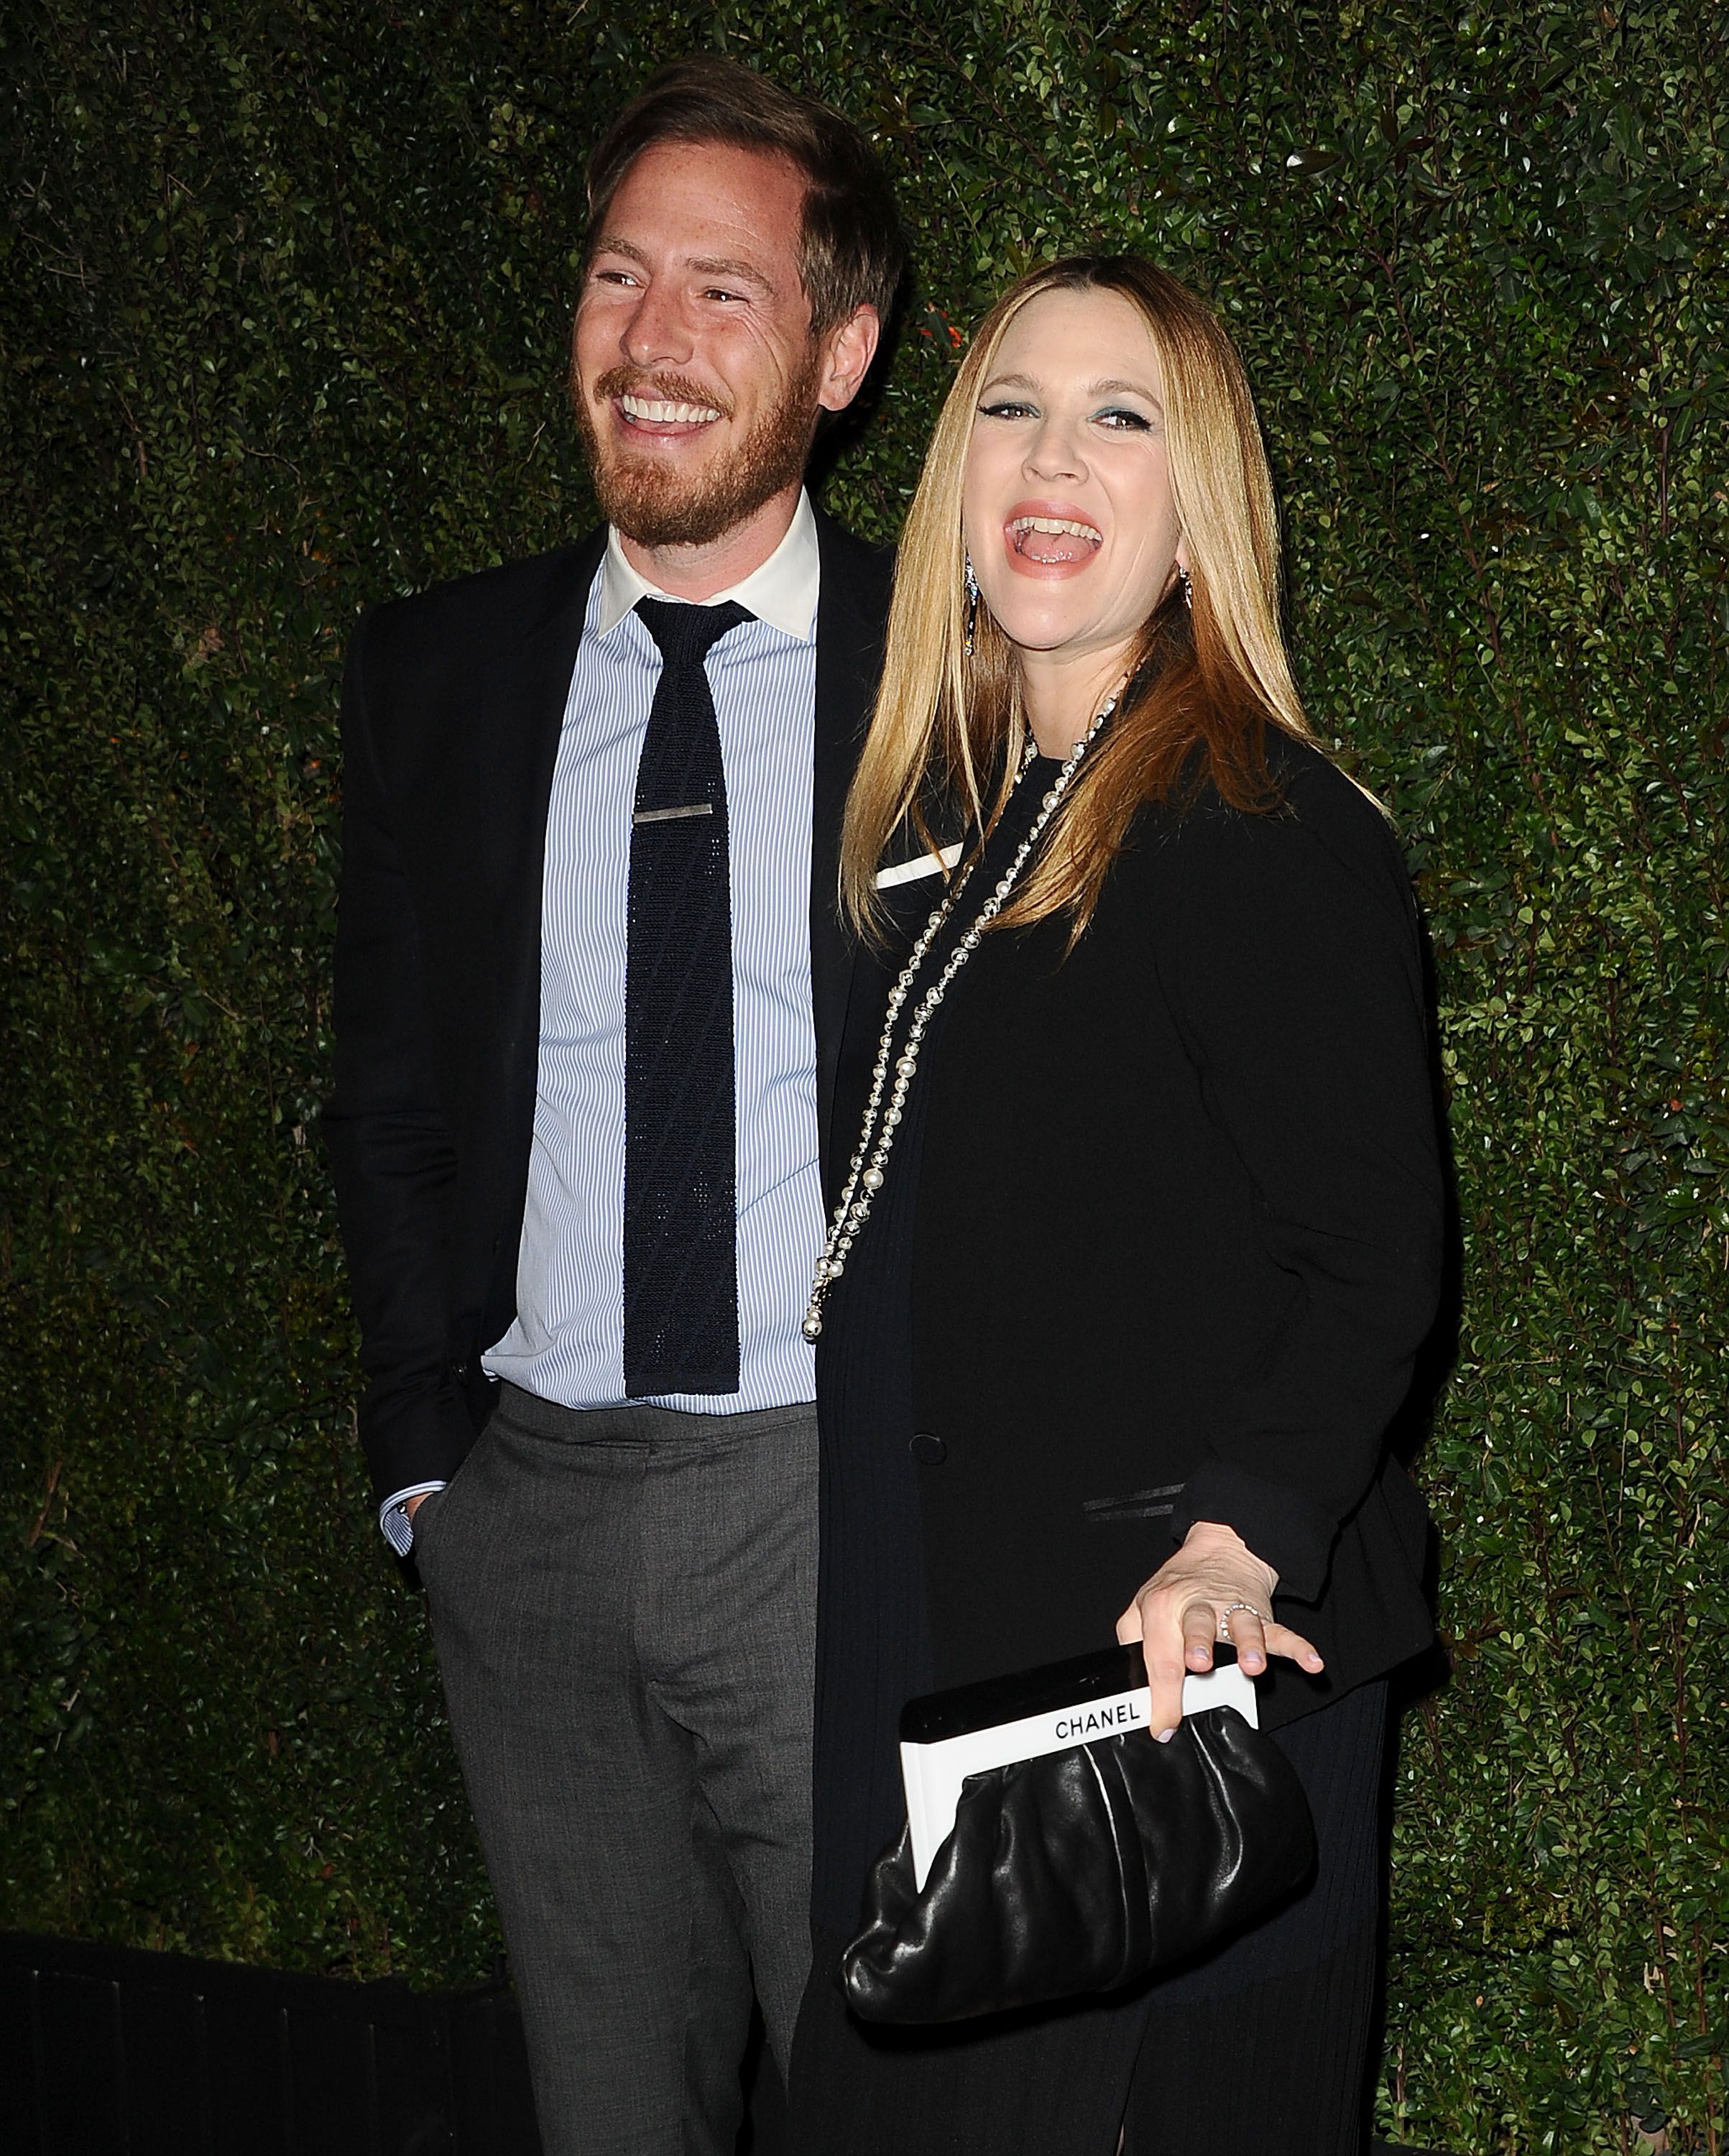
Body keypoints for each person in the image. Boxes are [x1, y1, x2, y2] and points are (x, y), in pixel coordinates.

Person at [786, 256, 1446, 2155]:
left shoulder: (1254, 817)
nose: (1050, 458)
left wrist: (1244, 1531)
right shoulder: (949, 810)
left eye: (1119, 416)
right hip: (957, 1646)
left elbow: (1373, 1254)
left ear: (1192, 521)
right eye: (1009, 406)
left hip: (1162, 1696)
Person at [323, 56, 903, 2156]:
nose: (649, 344)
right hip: (532, 1513)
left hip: (837, 1513)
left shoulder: (958, 678)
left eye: (723, 296)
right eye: (616, 277)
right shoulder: (435, 679)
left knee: (896, 2110)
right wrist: (430, 1473)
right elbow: (384, 1096)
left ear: (841, 353)